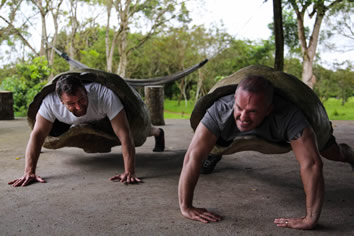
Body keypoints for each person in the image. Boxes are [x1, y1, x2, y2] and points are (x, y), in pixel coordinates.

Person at [178, 75, 354, 230]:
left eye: (253, 111)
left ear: (269, 109)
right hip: (226, 136)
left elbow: (312, 165)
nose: (244, 117)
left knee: (333, 152)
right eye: (239, 108)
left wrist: (310, 219)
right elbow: (192, 157)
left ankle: (350, 154)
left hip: (280, 133)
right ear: (234, 100)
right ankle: (215, 153)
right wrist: (186, 206)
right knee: (205, 148)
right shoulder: (220, 109)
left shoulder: (290, 115)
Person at [9, 75, 165, 187]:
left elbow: (124, 133)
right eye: (71, 103)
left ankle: (157, 132)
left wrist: (129, 171)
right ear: (60, 101)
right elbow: (37, 135)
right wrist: (29, 171)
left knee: (138, 133)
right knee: (46, 138)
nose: (78, 106)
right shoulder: (50, 103)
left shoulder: (104, 95)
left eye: (81, 99)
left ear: (86, 90)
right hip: (67, 122)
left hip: (103, 119)